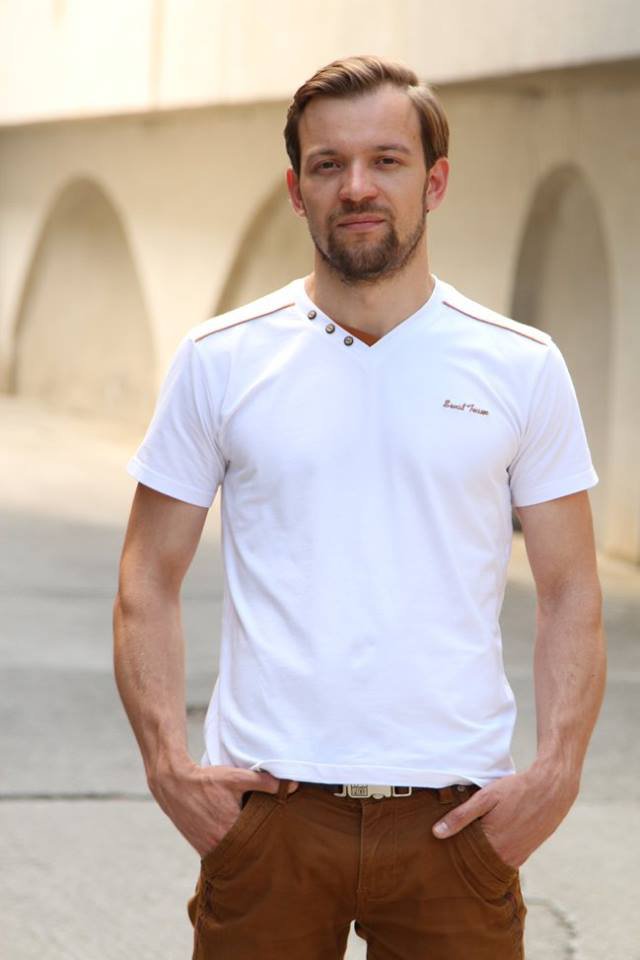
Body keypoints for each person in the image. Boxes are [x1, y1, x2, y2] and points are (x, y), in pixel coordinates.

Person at [113, 55, 606, 960]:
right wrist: (168, 769)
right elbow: (147, 575)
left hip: (456, 820)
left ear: (435, 181)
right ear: (296, 190)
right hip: (269, 816)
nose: (357, 187)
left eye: (387, 160)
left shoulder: (521, 365)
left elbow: (572, 587)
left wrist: (557, 776)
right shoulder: (221, 359)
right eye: (328, 164)